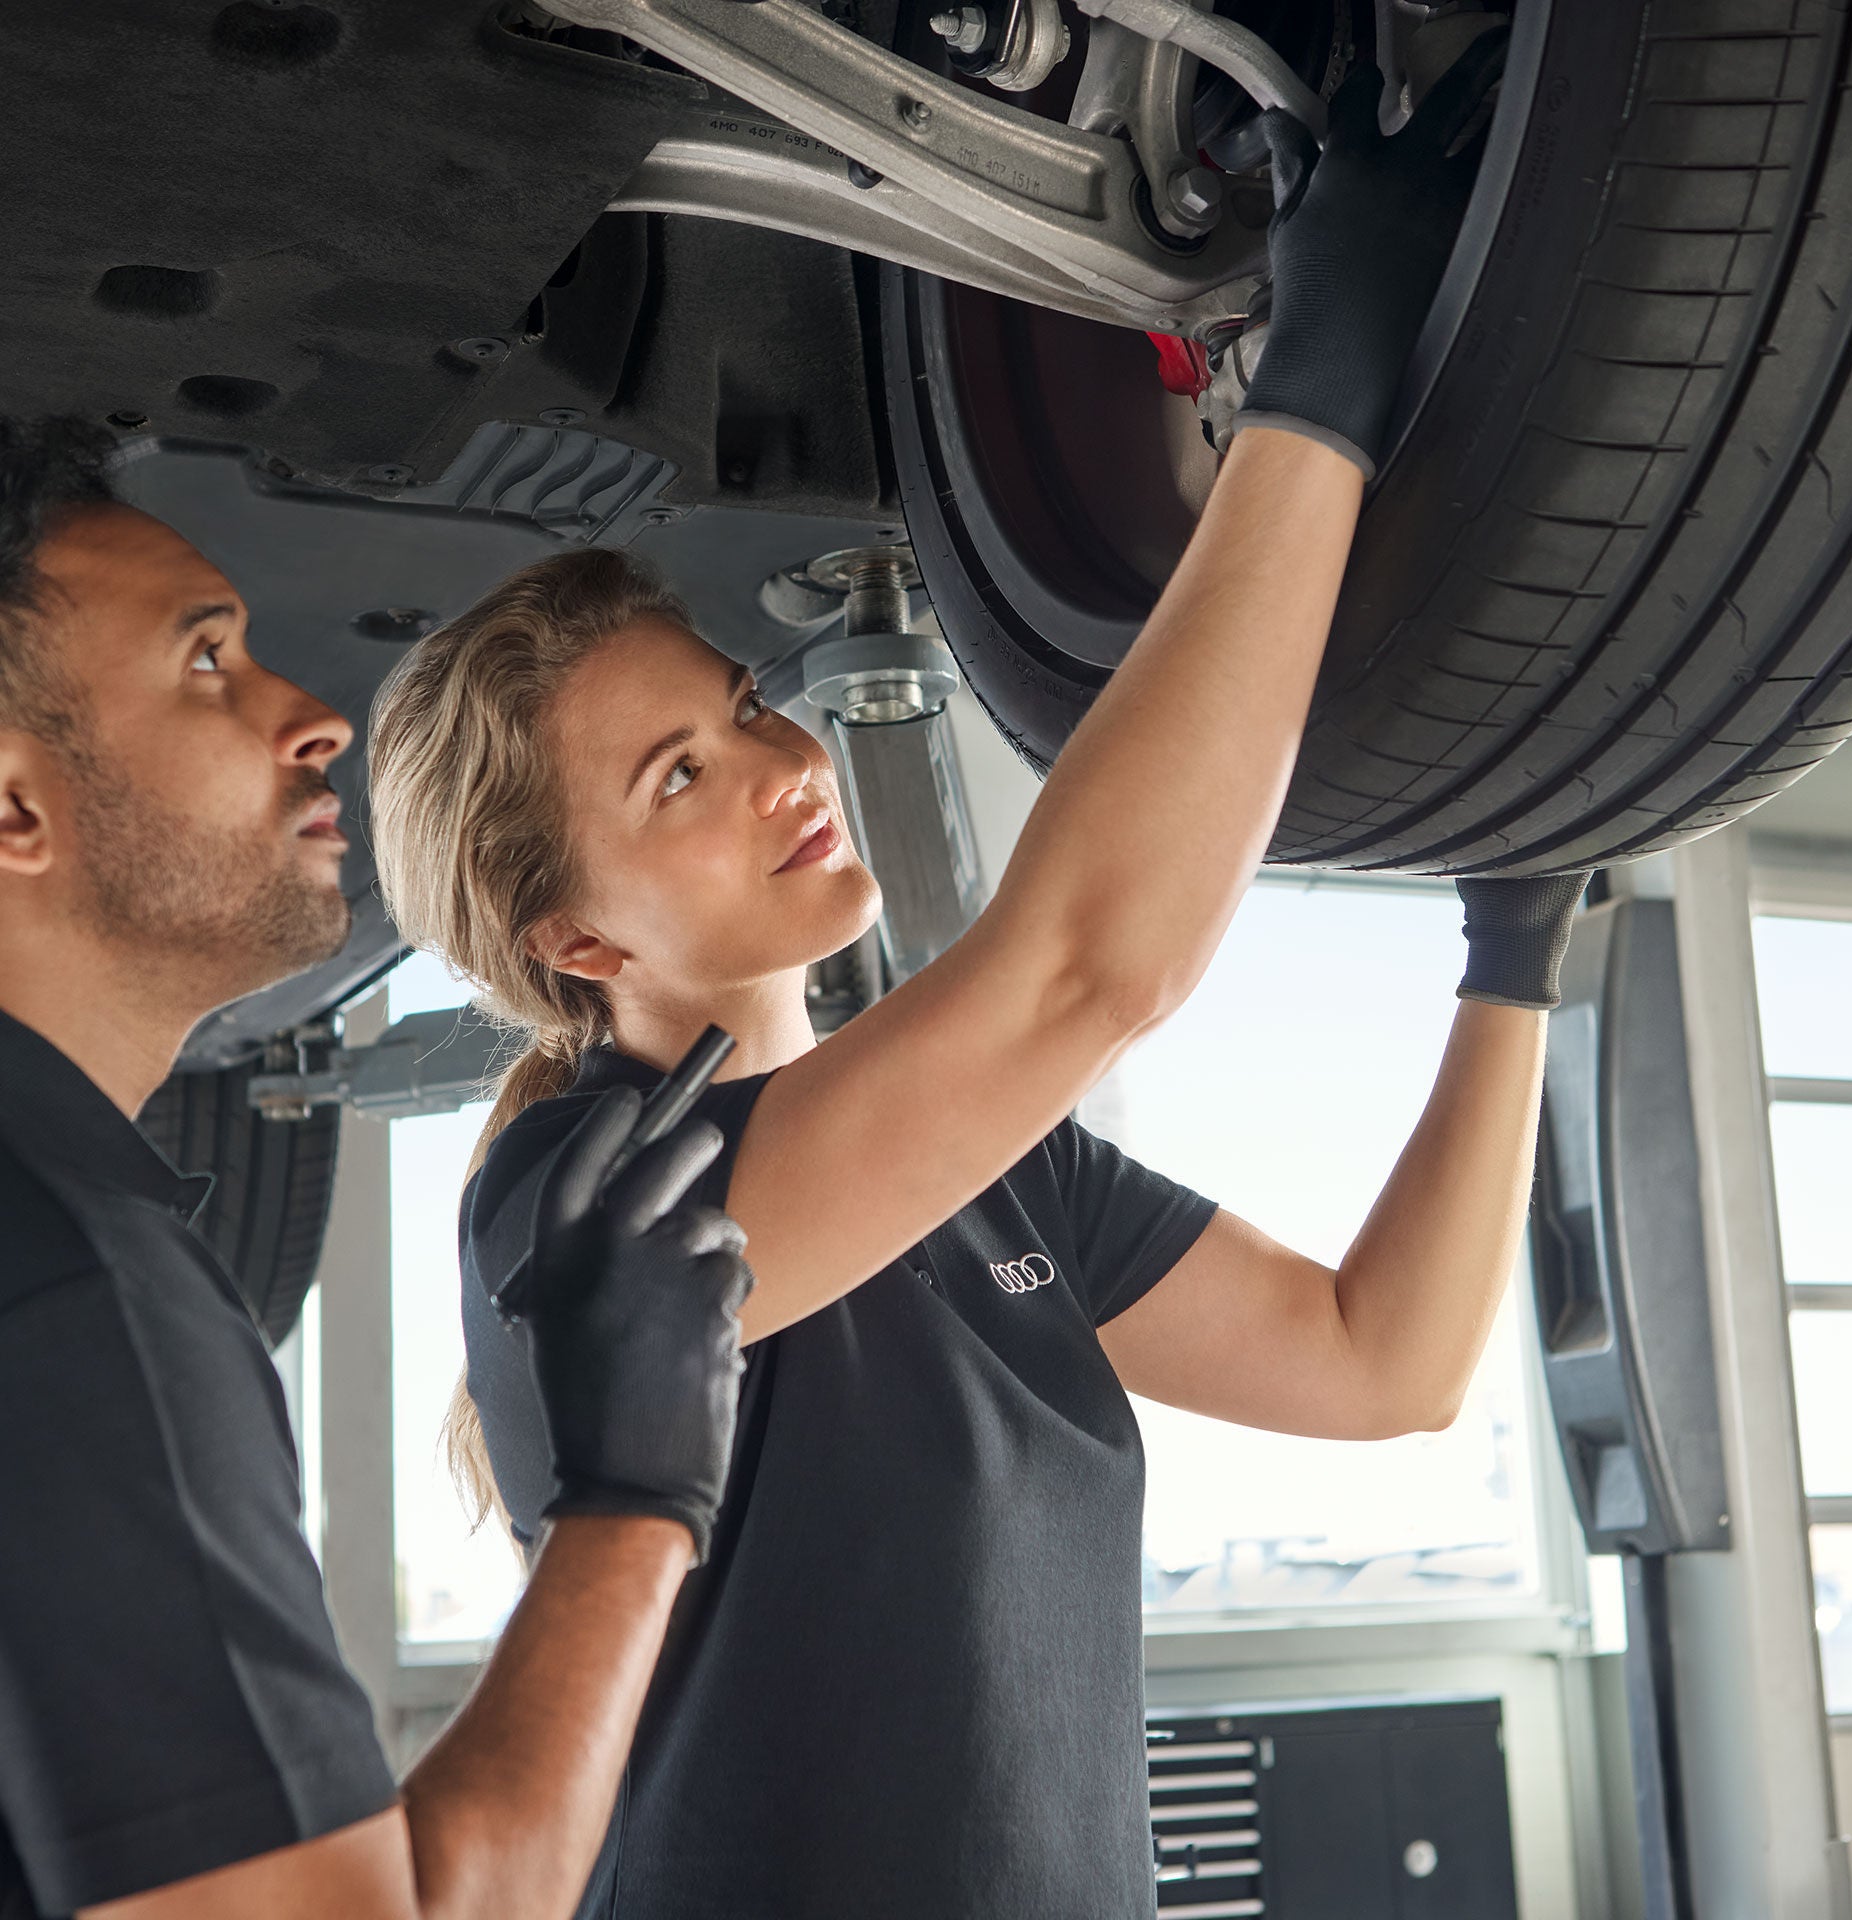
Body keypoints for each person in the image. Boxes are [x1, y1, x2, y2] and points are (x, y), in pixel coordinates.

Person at [370, 46, 1575, 1920]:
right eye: (677, 779)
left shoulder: (1002, 1177)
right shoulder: (580, 1209)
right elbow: (1091, 965)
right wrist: (1317, 390)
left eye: (741, 707)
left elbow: (1383, 1360)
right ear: (578, 945)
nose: (781, 766)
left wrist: (1517, 950)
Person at [0, 416, 755, 1920]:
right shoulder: (77, 1296)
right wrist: (633, 1496)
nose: (314, 717)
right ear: (13, 808)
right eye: (207, 662)